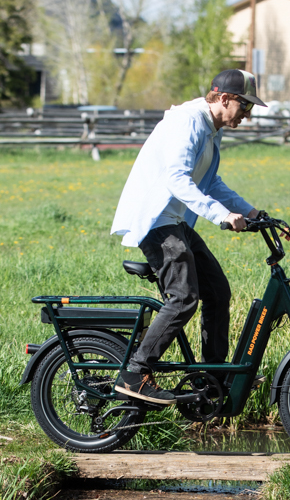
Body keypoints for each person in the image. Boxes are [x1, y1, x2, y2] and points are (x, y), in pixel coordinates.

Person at [110, 69, 266, 405]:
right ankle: (136, 373)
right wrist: (221, 215)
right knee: (183, 297)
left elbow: (210, 183)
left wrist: (253, 213)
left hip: (176, 221)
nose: (247, 116)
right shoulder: (189, 122)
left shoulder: (211, 129)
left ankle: (213, 377)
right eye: (245, 106)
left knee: (217, 292)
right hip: (156, 221)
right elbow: (177, 179)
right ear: (224, 98)